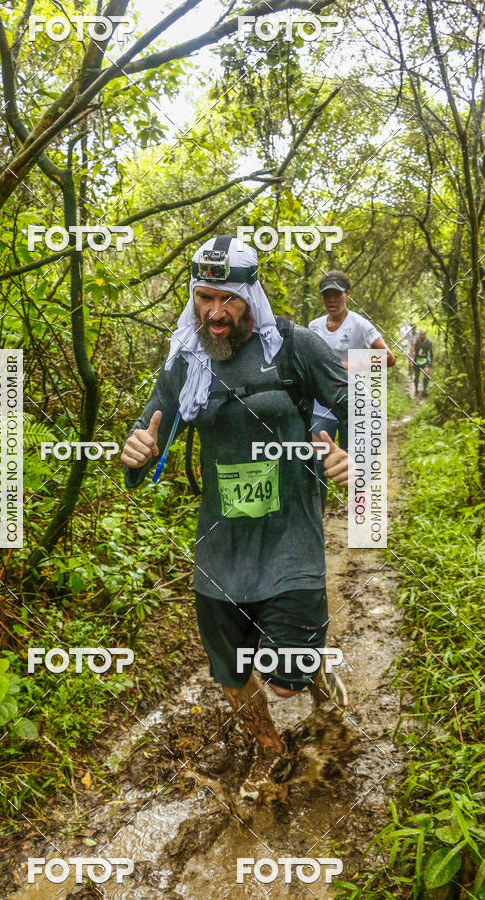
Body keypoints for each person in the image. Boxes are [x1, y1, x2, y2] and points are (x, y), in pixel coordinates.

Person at [121, 235, 352, 802]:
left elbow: (360, 401)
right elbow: (145, 431)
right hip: (222, 541)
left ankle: (313, 676)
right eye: (204, 298)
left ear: (250, 297)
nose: (215, 313)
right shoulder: (188, 361)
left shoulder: (291, 347)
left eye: (228, 300)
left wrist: (353, 457)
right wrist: (135, 456)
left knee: (283, 679)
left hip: (289, 533)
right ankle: (269, 750)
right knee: (229, 668)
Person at [308, 270, 395, 511]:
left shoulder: (360, 325)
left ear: (348, 294)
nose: (331, 300)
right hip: (320, 405)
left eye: (336, 294)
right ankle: (318, 517)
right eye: (327, 295)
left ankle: (361, 510)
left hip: (352, 402)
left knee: (356, 461)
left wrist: (350, 365)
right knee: (316, 460)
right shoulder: (314, 327)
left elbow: (388, 358)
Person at [413, 329, 433, 397]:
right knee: (417, 376)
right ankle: (416, 390)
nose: (422, 336)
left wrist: (431, 362)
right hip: (417, 360)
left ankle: (424, 390)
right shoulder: (415, 341)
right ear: (419, 335)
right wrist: (410, 361)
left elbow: (431, 352)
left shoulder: (429, 342)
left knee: (426, 374)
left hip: (425, 360)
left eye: (423, 335)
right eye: (421, 335)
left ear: (425, 335)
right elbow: (411, 351)